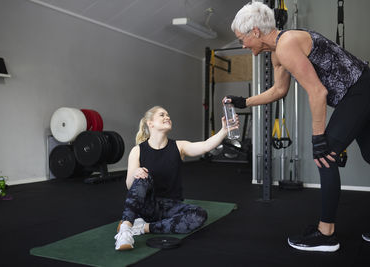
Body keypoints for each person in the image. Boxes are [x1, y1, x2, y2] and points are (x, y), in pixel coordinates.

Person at [227, 1, 370, 252]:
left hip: (360, 90)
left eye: (242, 39)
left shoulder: (287, 44)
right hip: (360, 91)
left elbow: (317, 91)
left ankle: (326, 235)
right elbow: (279, 90)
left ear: (256, 32)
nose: (243, 45)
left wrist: (318, 139)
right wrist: (244, 101)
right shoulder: (278, 51)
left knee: (325, 157)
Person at [114, 106, 239, 250]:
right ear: (150, 123)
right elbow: (130, 184)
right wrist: (137, 173)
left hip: (171, 206)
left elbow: (205, 146)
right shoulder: (137, 150)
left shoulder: (180, 146)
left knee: (199, 215)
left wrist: (224, 130)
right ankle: (125, 229)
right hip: (148, 206)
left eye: (168, 115)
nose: (167, 117)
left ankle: (144, 228)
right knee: (142, 177)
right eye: (162, 115)